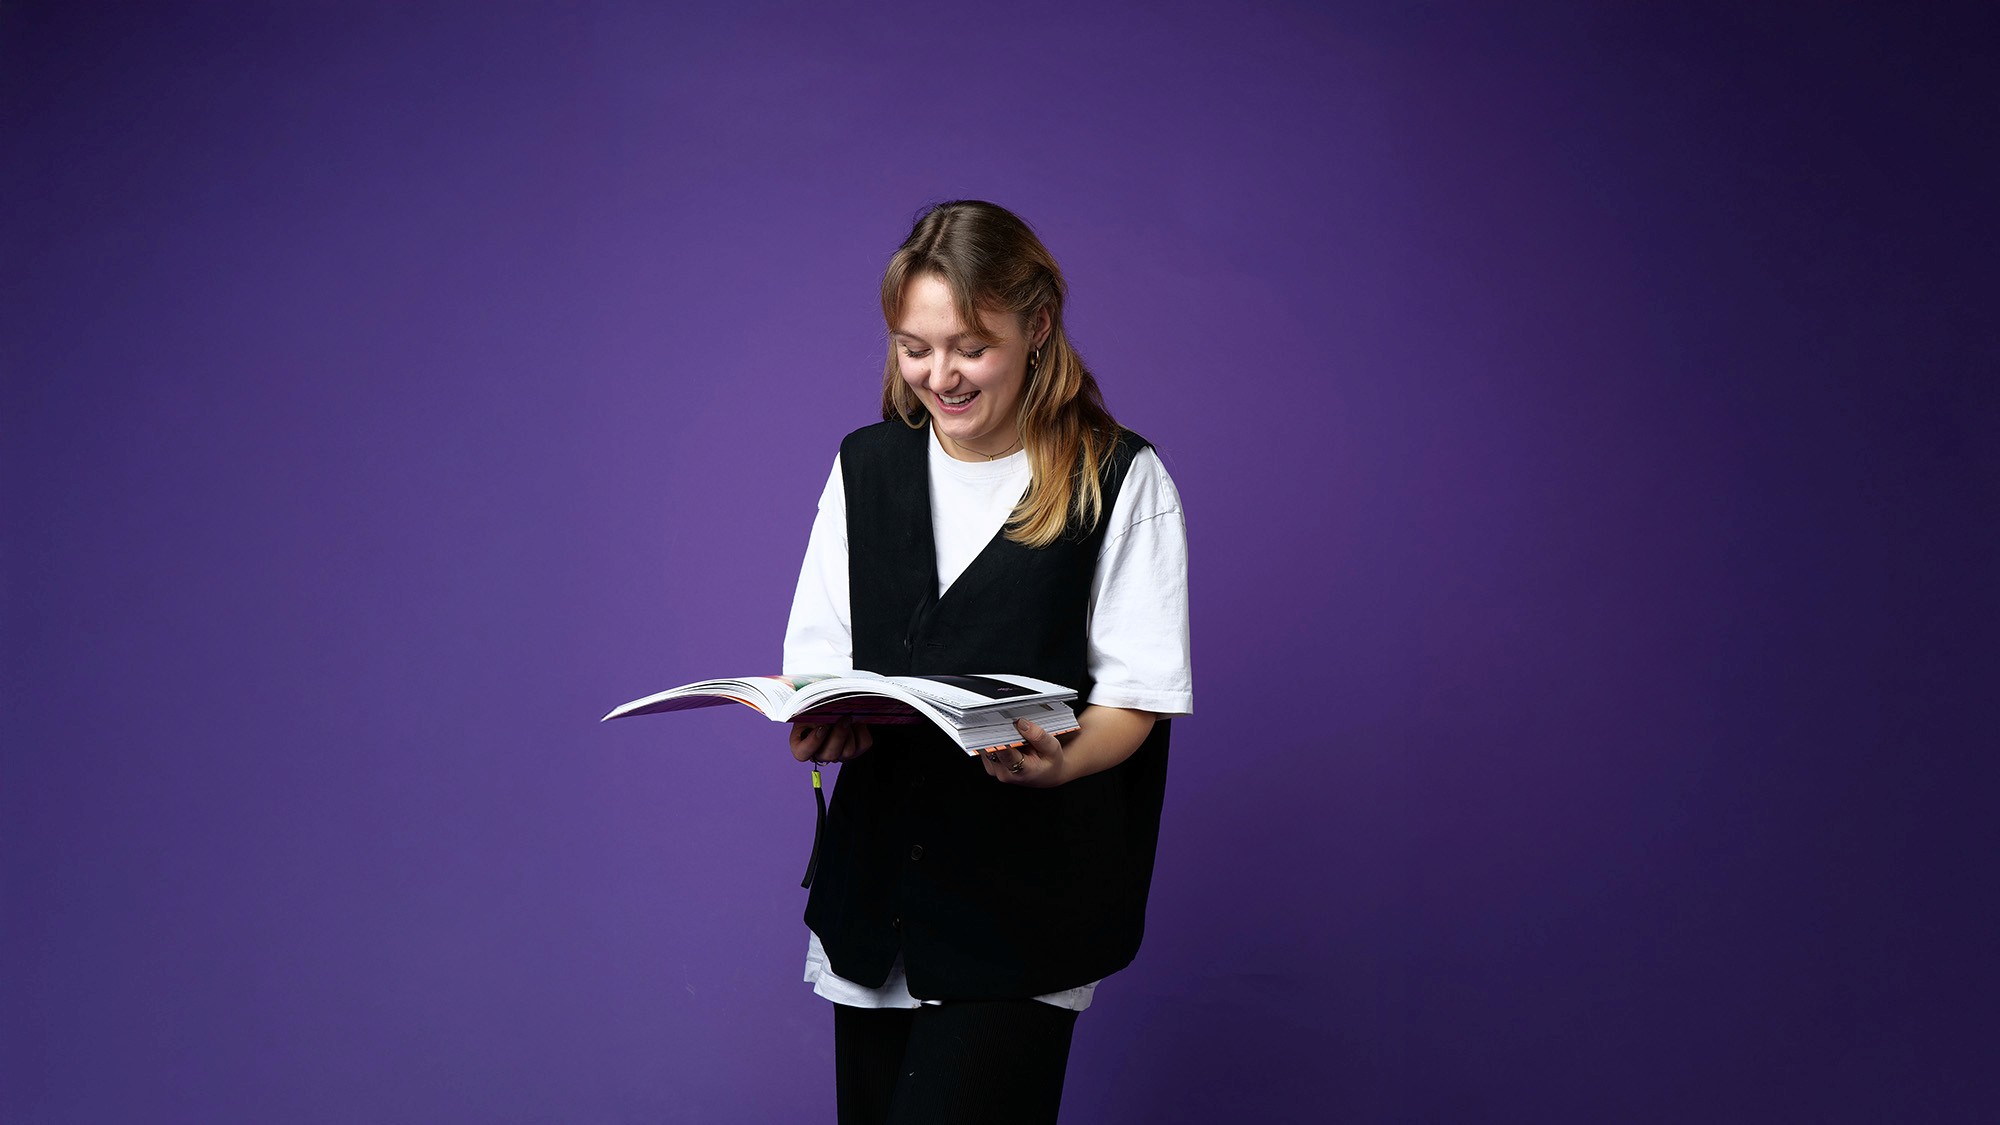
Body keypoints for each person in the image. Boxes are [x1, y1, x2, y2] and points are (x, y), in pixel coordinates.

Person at [780, 200, 1192, 1125]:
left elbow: (1139, 694)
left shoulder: (1119, 477)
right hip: (876, 905)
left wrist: (1064, 759)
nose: (939, 374)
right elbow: (824, 661)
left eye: (969, 345)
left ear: (1037, 327)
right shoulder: (865, 468)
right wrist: (824, 723)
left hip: (1024, 913)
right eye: (913, 347)